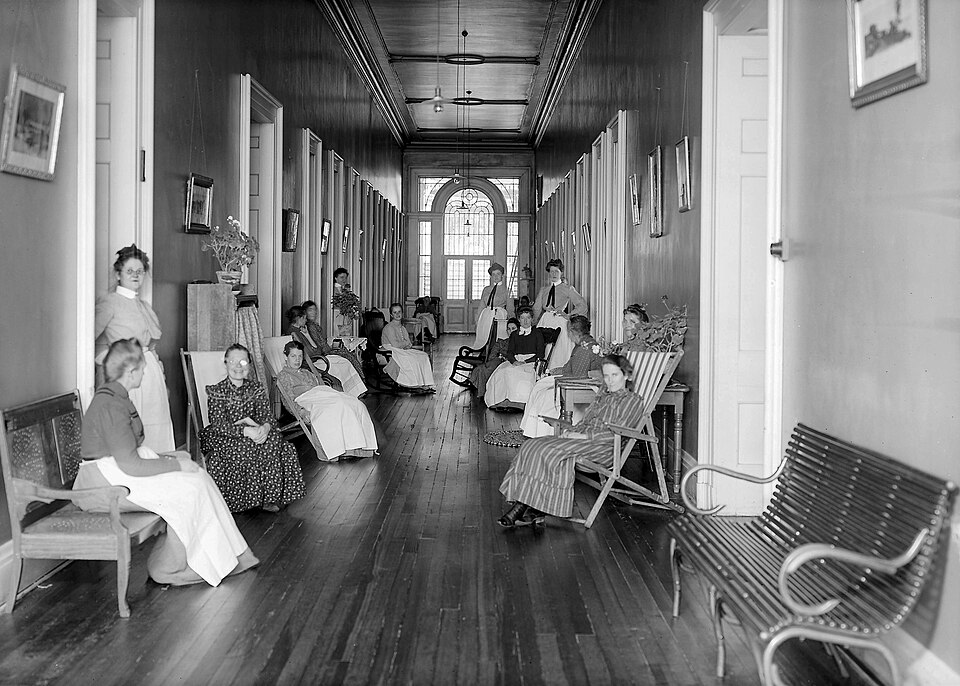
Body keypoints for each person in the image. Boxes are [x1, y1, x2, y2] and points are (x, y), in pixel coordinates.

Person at [75, 338, 259, 586]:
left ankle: (234, 556)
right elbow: (130, 464)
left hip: (117, 470)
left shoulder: (118, 396)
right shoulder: (110, 404)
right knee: (189, 488)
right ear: (130, 372)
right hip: (103, 482)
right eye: (142, 368)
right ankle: (169, 568)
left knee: (199, 477)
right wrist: (175, 465)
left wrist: (172, 459)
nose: (144, 372)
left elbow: (129, 454)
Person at [498, 354, 646, 528]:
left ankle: (521, 508)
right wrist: (572, 431)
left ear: (627, 376)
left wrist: (583, 436)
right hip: (583, 441)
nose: (610, 381)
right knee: (530, 445)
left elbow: (618, 433)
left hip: (604, 448)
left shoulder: (632, 401)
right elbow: (585, 422)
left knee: (550, 452)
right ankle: (532, 508)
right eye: (606, 376)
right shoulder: (603, 397)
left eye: (615, 375)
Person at [199, 344, 306, 513]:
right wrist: (245, 431)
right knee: (246, 446)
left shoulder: (255, 388)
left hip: (254, 430)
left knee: (275, 441)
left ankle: (268, 498)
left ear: (249, 364)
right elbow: (218, 423)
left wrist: (265, 427)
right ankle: (242, 501)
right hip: (226, 434)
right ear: (225, 363)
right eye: (233, 361)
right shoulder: (217, 391)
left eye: (242, 362)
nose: (237, 366)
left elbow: (267, 416)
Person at [94, 245, 175, 452]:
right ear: (118, 273)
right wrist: (112, 364)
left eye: (140, 271)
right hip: (129, 374)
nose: (135, 276)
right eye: (130, 271)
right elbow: (89, 340)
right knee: (133, 430)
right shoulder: (110, 302)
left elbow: (152, 347)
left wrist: (161, 378)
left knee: (155, 427)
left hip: (150, 375)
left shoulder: (143, 306)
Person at [276, 340, 378, 460]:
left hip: (322, 394)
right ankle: (339, 449)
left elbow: (321, 387)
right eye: (293, 356)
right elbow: (288, 400)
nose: (297, 360)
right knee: (337, 405)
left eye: (300, 356)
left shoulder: (307, 372)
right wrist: (301, 412)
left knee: (355, 403)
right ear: (286, 357)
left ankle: (359, 446)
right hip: (306, 399)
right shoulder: (284, 376)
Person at [519, 315, 604, 438]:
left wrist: (558, 377)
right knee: (539, 386)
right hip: (573, 379)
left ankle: (542, 433)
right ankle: (531, 430)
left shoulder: (584, 348)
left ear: (571, 331)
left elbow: (578, 377)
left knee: (544, 395)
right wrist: (556, 371)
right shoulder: (584, 343)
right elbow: (570, 367)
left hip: (579, 387)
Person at [286, 305, 369, 397]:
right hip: (310, 363)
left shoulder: (302, 330)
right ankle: (349, 394)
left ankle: (356, 392)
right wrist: (315, 350)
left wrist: (307, 335)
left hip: (316, 358)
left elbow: (317, 349)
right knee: (340, 366)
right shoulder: (293, 333)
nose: (306, 320)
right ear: (299, 318)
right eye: (304, 318)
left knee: (345, 361)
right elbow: (311, 353)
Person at [484, 306, 549, 409]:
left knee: (517, 373)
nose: (525, 321)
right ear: (519, 320)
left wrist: (525, 361)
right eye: (522, 318)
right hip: (516, 360)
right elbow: (510, 352)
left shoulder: (537, 333)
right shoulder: (514, 334)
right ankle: (500, 399)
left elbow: (540, 354)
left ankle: (519, 402)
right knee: (502, 371)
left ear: (532, 319)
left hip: (531, 361)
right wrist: (514, 361)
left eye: (528, 318)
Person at [532, 258, 587, 369]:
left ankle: (556, 373)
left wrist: (569, 315)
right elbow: (536, 309)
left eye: (556, 271)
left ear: (561, 273)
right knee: (543, 350)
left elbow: (582, 306)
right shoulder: (544, 290)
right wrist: (531, 324)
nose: (553, 274)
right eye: (551, 271)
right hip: (545, 321)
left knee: (558, 351)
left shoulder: (568, 288)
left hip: (560, 323)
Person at [302, 298, 365, 378]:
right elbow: (319, 344)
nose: (314, 312)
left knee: (348, 354)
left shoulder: (314, 325)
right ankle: (360, 378)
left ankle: (359, 379)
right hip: (322, 353)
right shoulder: (309, 327)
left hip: (325, 350)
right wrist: (329, 350)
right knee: (347, 355)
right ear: (305, 312)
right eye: (310, 310)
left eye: (315, 310)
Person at [381, 303, 436, 392]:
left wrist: (404, 343)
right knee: (412, 358)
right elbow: (396, 345)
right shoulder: (389, 328)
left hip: (401, 349)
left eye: (399, 312)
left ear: (402, 313)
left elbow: (409, 343)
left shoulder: (402, 327)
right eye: (395, 312)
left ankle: (426, 382)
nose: (397, 314)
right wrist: (405, 343)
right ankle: (414, 383)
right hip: (391, 350)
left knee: (423, 355)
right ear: (391, 315)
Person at [469, 317, 520, 396]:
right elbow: (491, 357)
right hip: (496, 364)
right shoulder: (501, 342)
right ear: (506, 331)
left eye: (513, 328)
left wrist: (503, 357)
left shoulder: (522, 343)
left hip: (511, 365)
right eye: (508, 329)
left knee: (484, 368)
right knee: (488, 366)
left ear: (518, 330)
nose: (511, 331)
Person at [470, 262, 514, 349]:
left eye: (498, 274)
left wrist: (512, 322)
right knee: (484, 336)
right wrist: (477, 319)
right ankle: (484, 354)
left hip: (500, 316)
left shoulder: (507, 290)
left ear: (502, 275)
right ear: (490, 276)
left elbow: (510, 308)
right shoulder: (486, 290)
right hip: (486, 316)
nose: (496, 277)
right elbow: (482, 305)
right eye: (493, 274)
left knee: (497, 337)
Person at [332, 267, 355, 336]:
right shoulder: (332, 289)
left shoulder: (346, 289)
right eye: (342, 277)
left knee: (346, 333)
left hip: (345, 316)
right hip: (336, 314)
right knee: (337, 333)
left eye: (345, 277)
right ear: (336, 278)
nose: (344, 280)